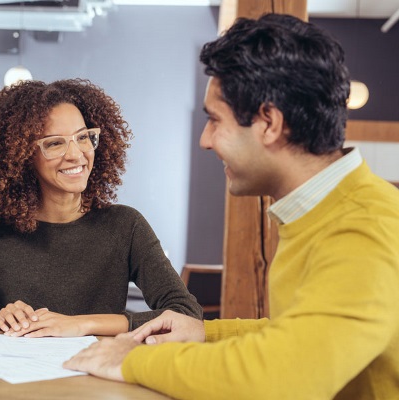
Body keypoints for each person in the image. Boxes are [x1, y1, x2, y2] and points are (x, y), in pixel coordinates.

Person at [64, 13, 399, 400]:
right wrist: (205, 332)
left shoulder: (363, 226)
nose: (206, 140)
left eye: (215, 120)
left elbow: (283, 376)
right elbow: (304, 336)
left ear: (269, 123)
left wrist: (128, 361)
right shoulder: (327, 211)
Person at [0, 79, 202, 338]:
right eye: (54, 143)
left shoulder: (125, 226)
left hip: (95, 372)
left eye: (83, 137)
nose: (76, 154)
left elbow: (186, 314)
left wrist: (81, 324)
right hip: (9, 374)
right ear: (20, 156)